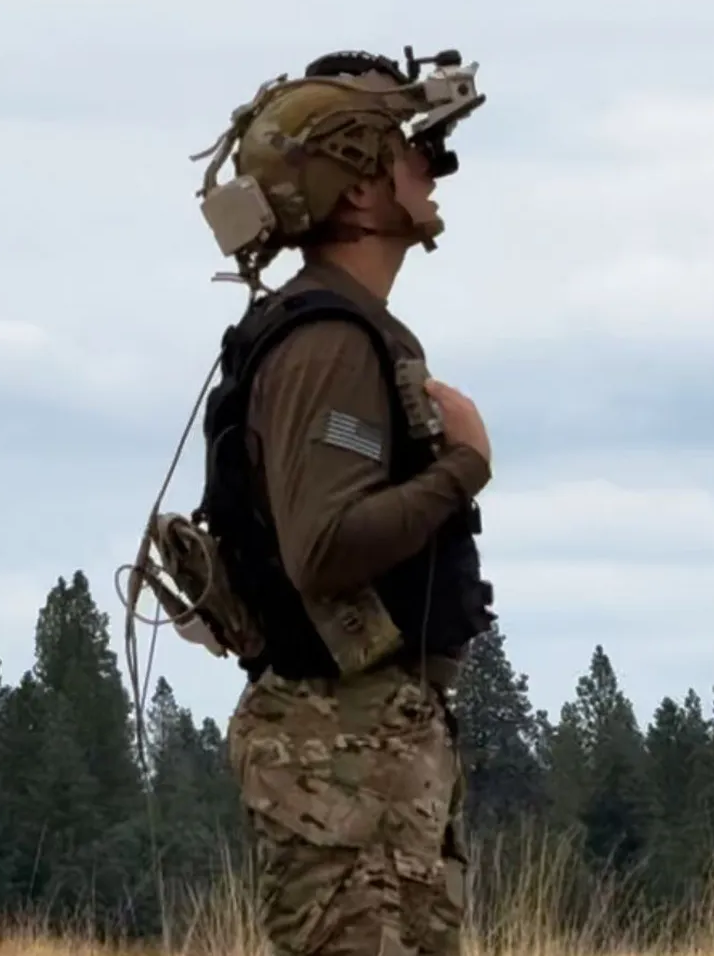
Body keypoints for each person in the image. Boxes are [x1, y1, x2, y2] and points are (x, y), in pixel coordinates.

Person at [185, 49, 497, 956]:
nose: (430, 169)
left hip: (365, 750)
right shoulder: (330, 342)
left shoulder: (335, 329)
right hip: (342, 756)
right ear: (360, 191)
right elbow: (324, 547)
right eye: (408, 151)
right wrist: (465, 467)